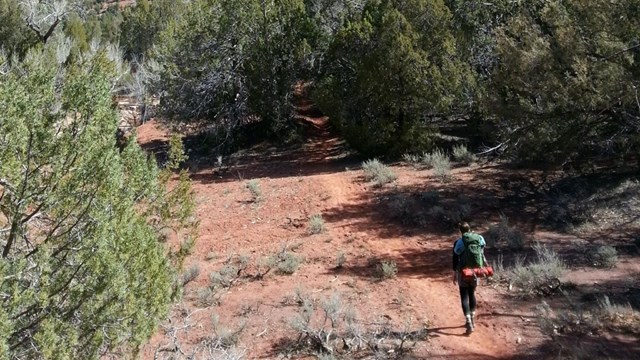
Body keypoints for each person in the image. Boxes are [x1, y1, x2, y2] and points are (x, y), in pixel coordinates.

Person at [452, 222, 487, 335]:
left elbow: (456, 255)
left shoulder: (459, 242)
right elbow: (483, 247)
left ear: (460, 231)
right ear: (470, 229)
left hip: (463, 272)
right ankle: (472, 318)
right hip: (476, 271)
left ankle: (468, 322)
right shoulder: (479, 238)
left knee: (464, 296)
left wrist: (454, 272)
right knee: (472, 294)